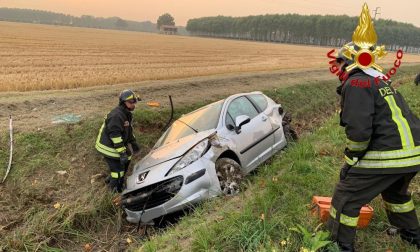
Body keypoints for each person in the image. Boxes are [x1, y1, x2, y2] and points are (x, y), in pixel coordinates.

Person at [327, 4, 420, 252]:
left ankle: (339, 246)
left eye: (340, 63)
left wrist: (352, 160)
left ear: (349, 61)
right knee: (396, 195)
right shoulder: (379, 81)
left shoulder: (356, 83)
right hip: (412, 154)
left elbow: (359, 132)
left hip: (389, 154)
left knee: (345, 198)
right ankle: (412, 235)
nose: (337, 69)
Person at [95, 90, 141, 193]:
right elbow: (115, 136)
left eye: (134, 101)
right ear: (123, 102)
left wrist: (133, 143)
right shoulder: (116, 116)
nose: (133, 104)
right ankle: (114, 190)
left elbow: (128, 131)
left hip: (116, 143)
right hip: (108, 147)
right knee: (118, 171)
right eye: (131, 102)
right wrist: (122, 153)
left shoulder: (126, 114)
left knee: (128, 159)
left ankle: (112, 180)